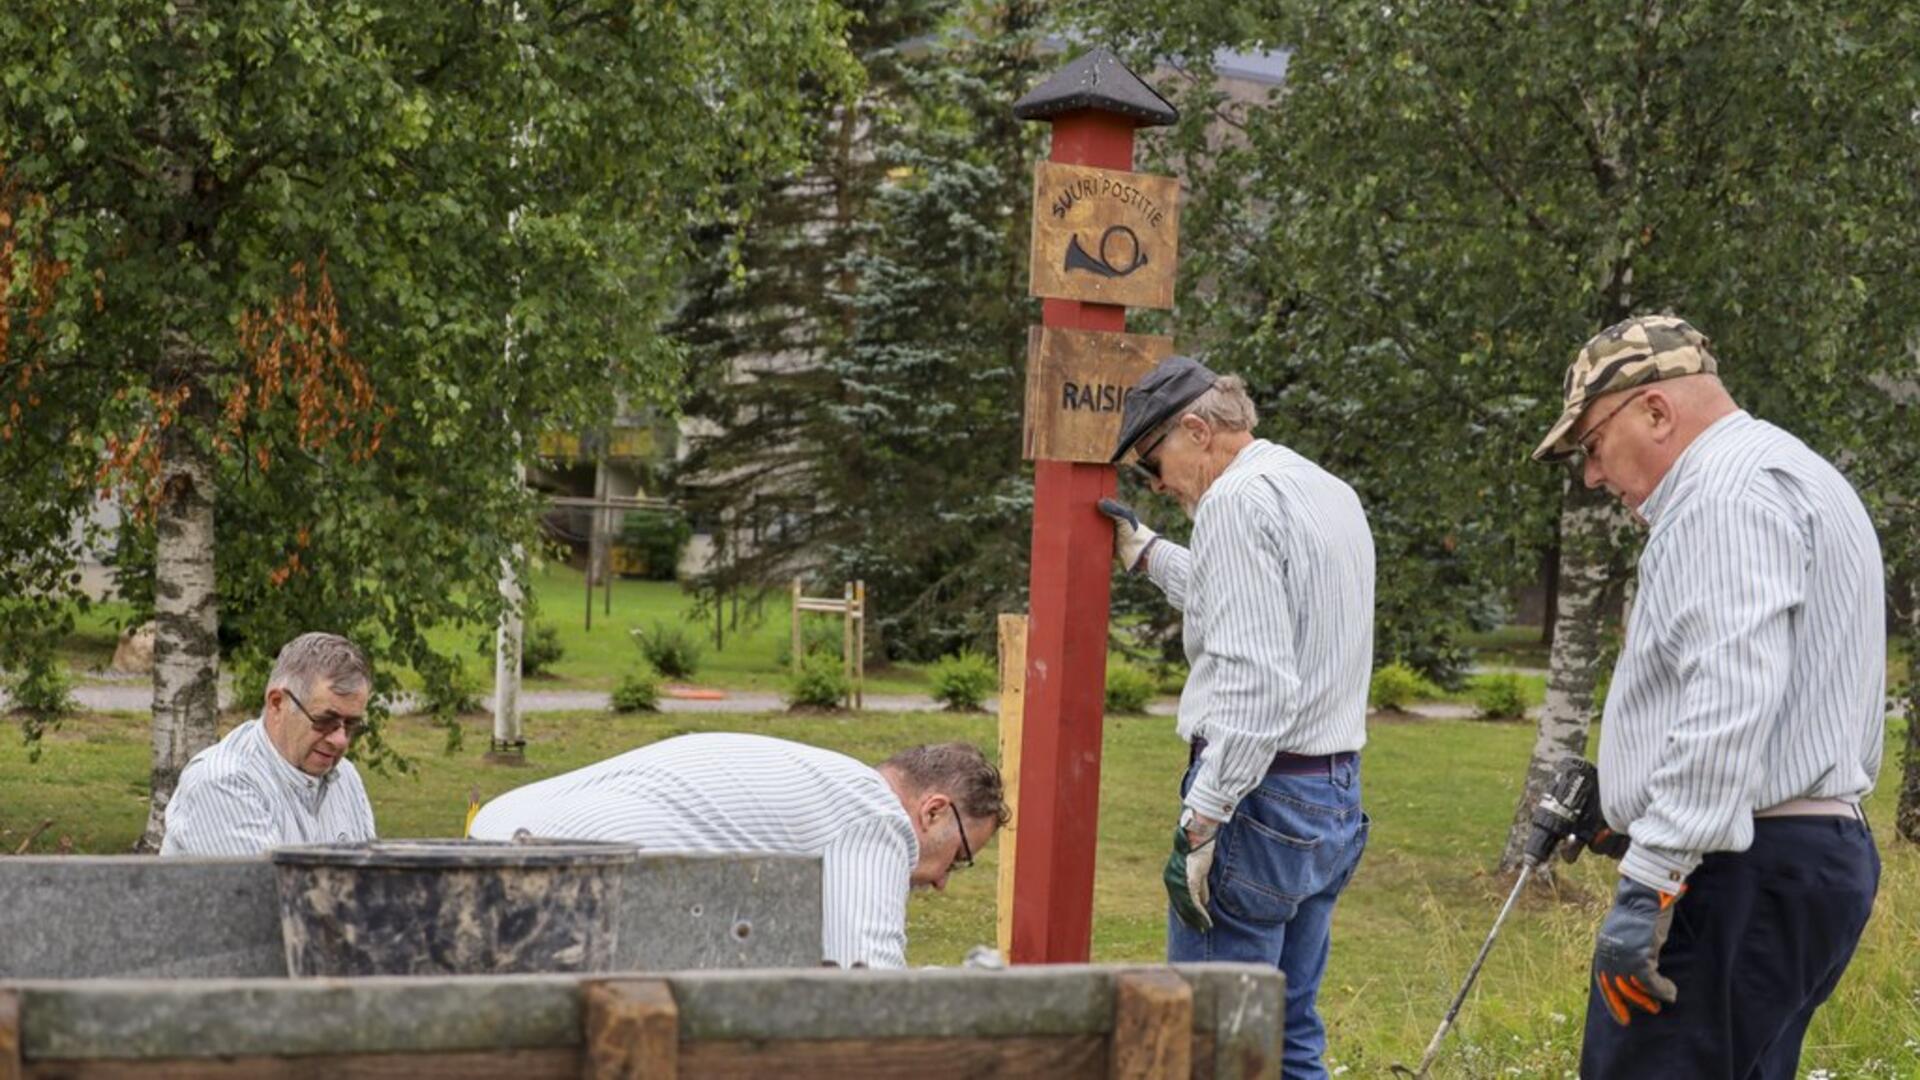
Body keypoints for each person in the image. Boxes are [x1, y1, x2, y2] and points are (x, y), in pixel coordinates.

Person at [1532, 314, 1884, 1078]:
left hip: (1740, 872)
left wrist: (1652, 875)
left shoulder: (1721, 495)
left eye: (1592, 445)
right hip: (1797, 859)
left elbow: (1730, 696)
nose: (1592, 475)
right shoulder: (1797, 472)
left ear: (1655, 411)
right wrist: (1635, 801)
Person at [1099, 354, 1374, 1079]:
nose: (1155, 484)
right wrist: (1150, 554)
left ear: (1195, 428)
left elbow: (1258, 681)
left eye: (1153, 463)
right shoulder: (1324, 488)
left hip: (1260, 799)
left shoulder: (1233, 503)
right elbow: (1256, 608)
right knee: (1289, 1032)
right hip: (1334, 793)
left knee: (1215, 1042)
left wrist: (1204, 816)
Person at [468, 734, 1007, 969]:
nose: (942, 881)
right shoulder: (875, 813)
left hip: (488, 843)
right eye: (957, 858)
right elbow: (863, 980)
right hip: (571, 869)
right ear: (933, 810)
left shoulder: (822, 784)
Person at [160, 632, 377, 855]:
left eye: (351, 725)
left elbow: (372, 879)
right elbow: (269, 889)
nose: (340, 740)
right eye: (324, 721)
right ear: (277, 704)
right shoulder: (222, 782)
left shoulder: (345, 775)